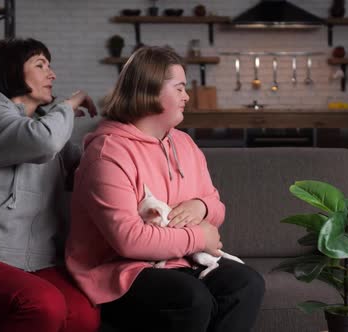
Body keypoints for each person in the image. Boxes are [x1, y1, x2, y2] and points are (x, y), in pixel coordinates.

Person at [66, 46, 265, 332]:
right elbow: (129, 241)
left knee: (247, 283)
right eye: (180, 88)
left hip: (178, 262)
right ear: (150, 91)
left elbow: (217, 206)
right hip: (118, 271)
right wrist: (199, 236)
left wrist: (202, 206)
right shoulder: (107, 152)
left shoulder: (184, 143)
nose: (187, 97)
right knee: (191, 298)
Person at [0, 38, 101, 332]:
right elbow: (42, 141)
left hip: (36, 261)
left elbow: (88, 169)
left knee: (84, 315)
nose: (52, 74)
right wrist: (69, 104)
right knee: (43, 303)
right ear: (12, 71)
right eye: (40, 65)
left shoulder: (42, 126)